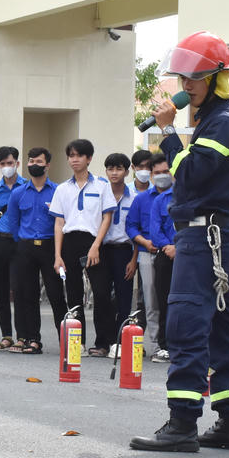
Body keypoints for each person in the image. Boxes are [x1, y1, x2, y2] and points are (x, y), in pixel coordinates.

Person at [129, 31, 229, 453]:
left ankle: (182, 424)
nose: (185, 88)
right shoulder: (216, 118)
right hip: (215, 234)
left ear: (217, 77)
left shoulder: (223, 121)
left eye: (193, 79)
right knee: (223, 327)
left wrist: (168, 134)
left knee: (186, 324)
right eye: (182, 80)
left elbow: (193, 173)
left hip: (206, 237)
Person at [50, 139, 114, 356]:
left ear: (89, 159)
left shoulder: (102, 185)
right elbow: (59, 223)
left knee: (102, 292)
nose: (74, 160)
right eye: (71, 156)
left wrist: (96, 246)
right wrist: (58, 255)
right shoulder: (61, 189)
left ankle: (103, 343)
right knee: (73, 294)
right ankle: (78, 343)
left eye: (79, 155)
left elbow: (107, 217)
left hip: (93, 242)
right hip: (69, 242)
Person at [7, 147, 69, 354]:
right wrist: (21, 241)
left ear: (48, 165)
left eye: (39, 161)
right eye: (31, 161)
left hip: (51, 247)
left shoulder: (58, 191)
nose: (34, 164)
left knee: (56, 295)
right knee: (28, 295)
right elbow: (13, 222)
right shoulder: (18, 193)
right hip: (25, 247)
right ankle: (33, 340)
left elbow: (63, 221)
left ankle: (67, 342)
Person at [0, 146, 26, 350]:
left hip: (20, 243)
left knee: (19, 289)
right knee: (0, 291)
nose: (7, 167)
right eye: (3, 164)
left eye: (10, 163)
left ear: (17, 163)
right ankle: (6, 335)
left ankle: (22, 335)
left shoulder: (26, 186)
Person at [100, 152, 138, 355]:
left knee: (124, 297)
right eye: (110, 169)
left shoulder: (135, 198)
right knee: (103, 296)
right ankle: (105, 341)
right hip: (103, 250)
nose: (114, 173)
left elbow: (138, 230)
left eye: (119, 169)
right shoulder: (100, 193)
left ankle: (121, 341)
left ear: (127, 170)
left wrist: (134, 259)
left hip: (125, 251)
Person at [125, 150, 160, 350]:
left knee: (150, 297)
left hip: (151, 250)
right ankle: (129, 339)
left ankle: (155, 342)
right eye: (140, 167)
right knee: (128, 298)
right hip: (128, 249)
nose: (144, 171)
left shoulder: (160, 194)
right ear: (133, 168)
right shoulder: (127, 191)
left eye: (149, 167)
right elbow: (130, 225)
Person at [147, 156, 176, 363]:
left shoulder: (190, 197)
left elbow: (194, 225)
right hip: (165, 256)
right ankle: (165, 346)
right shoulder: (160, 200)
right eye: (158, 172)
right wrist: (168, 247)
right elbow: (154, 231)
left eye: (166, 171)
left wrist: (180, 247)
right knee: (164, 301)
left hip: (188, 256)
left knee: (188, 302)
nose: (163, 176)